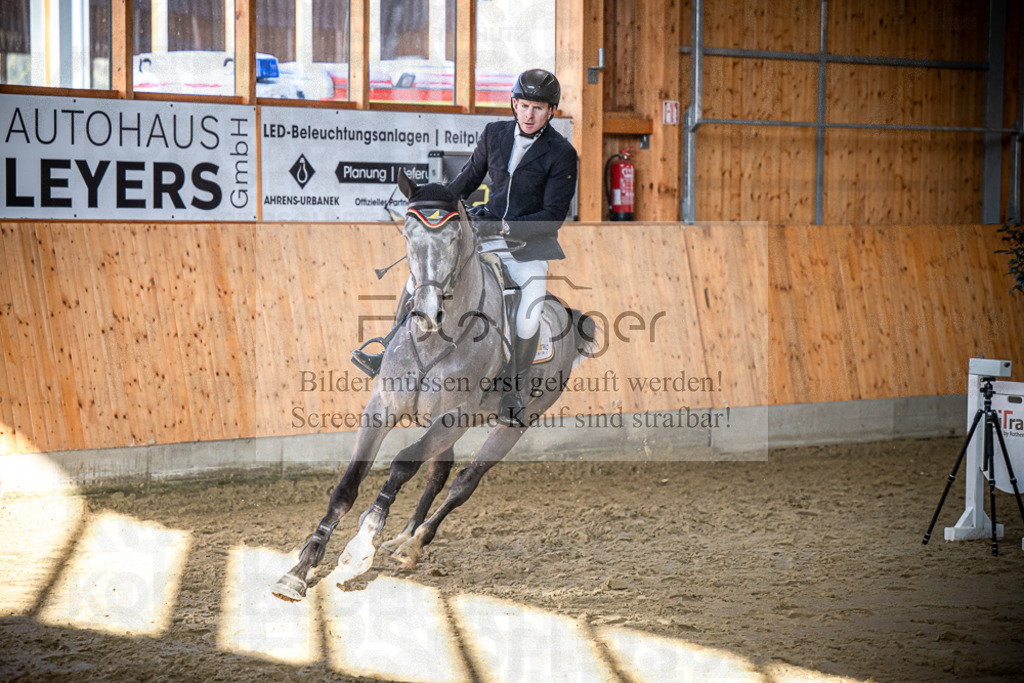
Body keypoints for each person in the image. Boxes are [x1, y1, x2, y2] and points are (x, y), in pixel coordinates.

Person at [352, 68, 579, 428]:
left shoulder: (562, 153)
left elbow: (552, 215)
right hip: (482, 233)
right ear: (514, 104)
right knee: (419, 281)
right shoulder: (495, 134)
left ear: (551, 111)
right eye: (523, 106)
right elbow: (466, 180)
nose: (529, 114)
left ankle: (512, 389)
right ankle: (388, 349)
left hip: (527, 247)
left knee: (527, 314)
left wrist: (505, 227)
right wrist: (434, 203)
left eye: (538, 108)